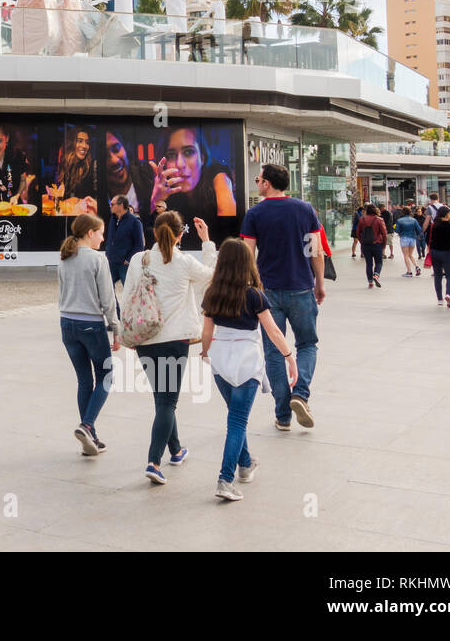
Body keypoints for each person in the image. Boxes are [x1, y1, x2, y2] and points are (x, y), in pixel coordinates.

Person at [120, 210, 217, 485]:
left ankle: (176, 450)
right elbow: (211, 276)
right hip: (175, 341)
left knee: (162, 399)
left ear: (154, 232)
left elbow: (126, 297)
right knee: (167, 401)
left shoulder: (139, 259)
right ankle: (153, 461)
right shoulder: (183, 262)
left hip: (145, 339)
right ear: (179, 234)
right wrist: (207, 241)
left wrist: (123, 332)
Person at [200, 239, 298, 502]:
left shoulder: (212, 294)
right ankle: (225, 478)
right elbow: (273, 331)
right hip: (246, 360)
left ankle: (245, 463)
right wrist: (289, 357)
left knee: (234, 417)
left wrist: (206, 353)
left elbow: (206, 332)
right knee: (237, 421)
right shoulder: (254, 295)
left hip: (220, 360)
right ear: (247, 263)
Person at [240, 162, 325, 432]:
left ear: (267, 183)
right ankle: (300, 393)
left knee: (274, 352)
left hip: (268, 293)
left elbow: (247, 255)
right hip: (301, 287)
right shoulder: (305, 209)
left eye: (258, 179)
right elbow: (316, 251)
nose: (257, 182)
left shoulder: (254, 213)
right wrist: (319, 284)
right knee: (307, 344)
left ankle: (283, 415)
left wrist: (250, 287)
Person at [58, 213, 120, 456]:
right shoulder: (97, 259)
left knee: (84, 380)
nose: (103, 238)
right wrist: (116, 328)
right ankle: (87, 425)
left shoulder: (64, 258)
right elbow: (108, 299)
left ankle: (90, 437)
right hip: (90, 326)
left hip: (66, 324)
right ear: (90, 233)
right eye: (101, 233)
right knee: (106, 376)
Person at [149, 126, 238, 224]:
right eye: (171, 155)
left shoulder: (217, 175)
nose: (180, 164)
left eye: (188, 152)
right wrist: (157, 201)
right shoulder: (161, 190)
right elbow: (155, 235)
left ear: (202, 158)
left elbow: (230, 225)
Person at [105, 129, 155, 225]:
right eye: (105, 156)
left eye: (116, 149)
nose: (114, 161)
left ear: (125, 148)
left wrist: (157, 200)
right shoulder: (96, 195)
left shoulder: (147, 178)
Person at [105, 195, 144, 288]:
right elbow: (110, 238)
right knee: (107, 288)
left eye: (112, 204)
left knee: (129, 291)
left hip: (125, 265)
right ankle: (115, 304)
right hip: (111, 262)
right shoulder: (113, 219)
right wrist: (108, 252)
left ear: (121, 205)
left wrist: (128, 260)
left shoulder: (135, 221)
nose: (110, 206)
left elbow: (139, 245)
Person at [427, 205, 450, 308]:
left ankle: (439, 299)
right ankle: (448, 294)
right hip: (448, 252)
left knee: (437, 276)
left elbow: (427, 238)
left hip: (435, 252)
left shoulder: (433, 225)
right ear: (447, 214)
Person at [55, 127, 99, 202]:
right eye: (80, 141)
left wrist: (77, 200)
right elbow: (60, 195)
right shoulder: (65, 165)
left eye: (87, 142)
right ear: (72, 143)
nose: (84, 146)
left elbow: (99, 199)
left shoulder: (94, 166)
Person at [357, 204, 387, 289]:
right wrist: (384, 245)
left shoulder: (361, 219)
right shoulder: (379, 220)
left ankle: (370, 283)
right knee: (379, 262)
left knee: (369, 264)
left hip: (366, 245)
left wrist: (362, 242)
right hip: (377, 244)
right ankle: (376, 275)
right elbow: (384, 233)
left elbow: (358, 233)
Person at [394, 207, 422, 277]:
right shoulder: (414, 220)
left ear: (403, 212)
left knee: (406, 255)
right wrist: (419, 235)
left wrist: (400, 231)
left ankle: (409, 272)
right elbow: (419, 229)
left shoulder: (400, 220)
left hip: (404, 238)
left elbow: (396, 230)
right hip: (412, 238)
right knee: (410, 254)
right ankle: (417, 266)